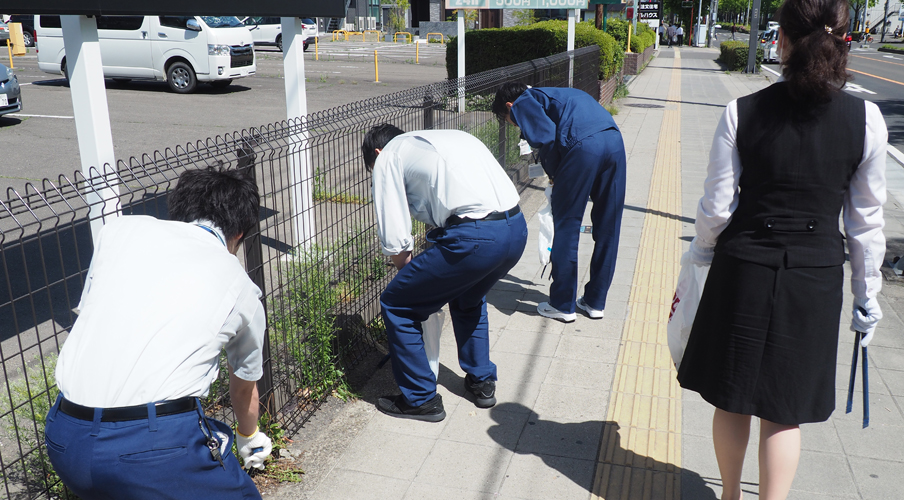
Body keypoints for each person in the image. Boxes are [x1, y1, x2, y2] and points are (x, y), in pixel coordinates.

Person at [676, 0, 887, 497]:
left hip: (744, 265)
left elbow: (718, 205)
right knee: (783, 409)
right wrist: (866, 293)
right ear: (843, 41)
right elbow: (865, 222)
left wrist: (700, 252)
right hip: (814, 277)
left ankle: (729, 494)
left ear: (783, 40)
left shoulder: (742, 111)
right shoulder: (866, 119)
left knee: (732, 396)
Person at [45, 166, 272, 499]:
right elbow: (243, 387)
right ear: (238, 233)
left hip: (65, 436)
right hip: (152, 448)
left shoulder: (119, 231)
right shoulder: (240, 286)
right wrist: (248, 436)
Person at [362, 124, 527, 422]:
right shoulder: (448, 137)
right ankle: (482, 381)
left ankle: (421, 399)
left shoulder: (389, 157)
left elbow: (397, 240)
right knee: (468, 297)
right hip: (516, 229)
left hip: (474, 239)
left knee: (397, 304)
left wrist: (414, 287)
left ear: (377, 153)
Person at [493, 84, 626, 323]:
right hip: (614, 141)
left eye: (509, 121)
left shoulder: (524, 101)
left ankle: (563, 305)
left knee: (567, 226)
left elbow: (546, 138)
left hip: (584, 148)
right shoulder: (558, 93)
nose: (515, 126)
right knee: (609, 227)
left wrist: (555, 175)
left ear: (509, 107)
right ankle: (595, 302)